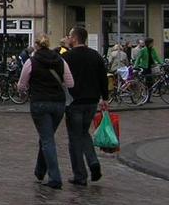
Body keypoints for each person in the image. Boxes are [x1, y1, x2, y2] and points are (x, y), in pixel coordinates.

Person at [18, 34, 74, 189]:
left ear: (36, 46)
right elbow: (70, 83)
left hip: (40, 102)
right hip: (58, 103)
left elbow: (21, 85)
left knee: (47, 139)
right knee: (46, 137)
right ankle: (39, 171)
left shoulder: (31, 62)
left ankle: (55, 178)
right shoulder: (60, 60)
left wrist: (26, 89)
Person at [64, 27, 109, 186]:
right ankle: (93, 162)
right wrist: (105, 97)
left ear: (75, 38)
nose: (68, 38)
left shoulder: (68, 57)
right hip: (92, 101)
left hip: (74, 101)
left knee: (74, 138)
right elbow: (103, 78)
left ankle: (80, 175)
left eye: (70, 36)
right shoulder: (95, 55)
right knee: (84, 133)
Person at [134, 37, 161, 103]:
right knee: (145, 83)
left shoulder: (152, 50)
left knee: (150, 83)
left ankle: (148, 98)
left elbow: (156, 57)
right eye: (152, 42)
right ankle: (142, 96)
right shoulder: (143, 50)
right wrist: (135, 66)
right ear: (149, 43)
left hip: (150, 68)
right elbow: (138, 58)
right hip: (144, 68)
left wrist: (161, 63)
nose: (153, 44)